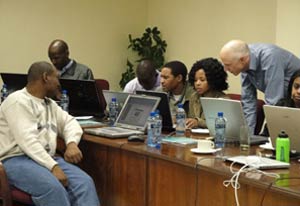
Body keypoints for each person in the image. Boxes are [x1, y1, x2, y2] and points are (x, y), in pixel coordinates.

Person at [0, 61, 100, 206]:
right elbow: (28, 142)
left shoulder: (50, 104)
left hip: (46, 158)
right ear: (46, 77)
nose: (59, 83)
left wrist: (71, 143)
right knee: (53, 188)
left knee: (84, 183)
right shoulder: (17, 101)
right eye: (57, 78)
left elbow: (70, 123)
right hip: (16, 160)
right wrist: (53, 167)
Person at [219, 40, 300, 134]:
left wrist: (266, 136)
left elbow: (274, 103)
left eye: (228, 65)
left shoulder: (270, 57)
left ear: (242, 60)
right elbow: (248, 102)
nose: (225, 69)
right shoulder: (244, 63)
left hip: (292, 104)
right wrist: (248, 137)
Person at [186, 58, 229, 129]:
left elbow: (222, 124)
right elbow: (191, 119)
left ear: (213, 80)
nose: (197, 83)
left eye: (202, 80)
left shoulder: (223, 100)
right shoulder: (194, 96)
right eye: (195, 80)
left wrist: (198, 122)